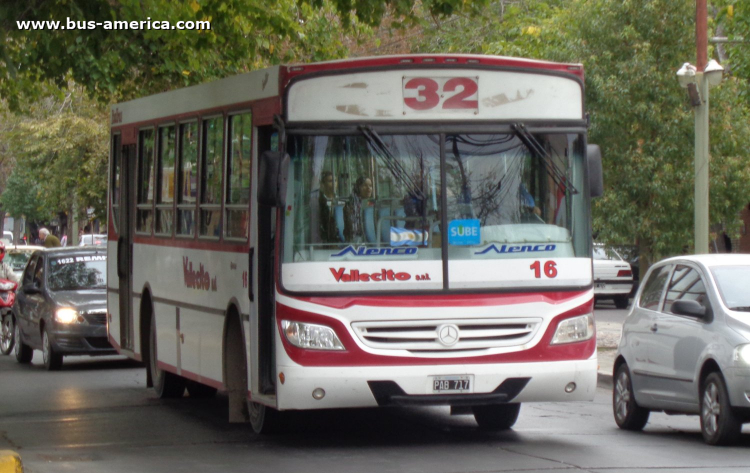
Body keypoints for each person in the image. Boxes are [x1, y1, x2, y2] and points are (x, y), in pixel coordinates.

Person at [344, 176, 373, 242]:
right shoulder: (352, 203)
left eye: (370, 186)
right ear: (358, 187)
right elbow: (354, 228)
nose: (368, 188)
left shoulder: (371, 203)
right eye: (365, 185)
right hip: (356, 239)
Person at [318, 171, 338, 243]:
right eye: (330, 181)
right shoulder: (319, 202)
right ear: (323, 184)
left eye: (335, 180)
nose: (333, 183)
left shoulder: (340, 201)